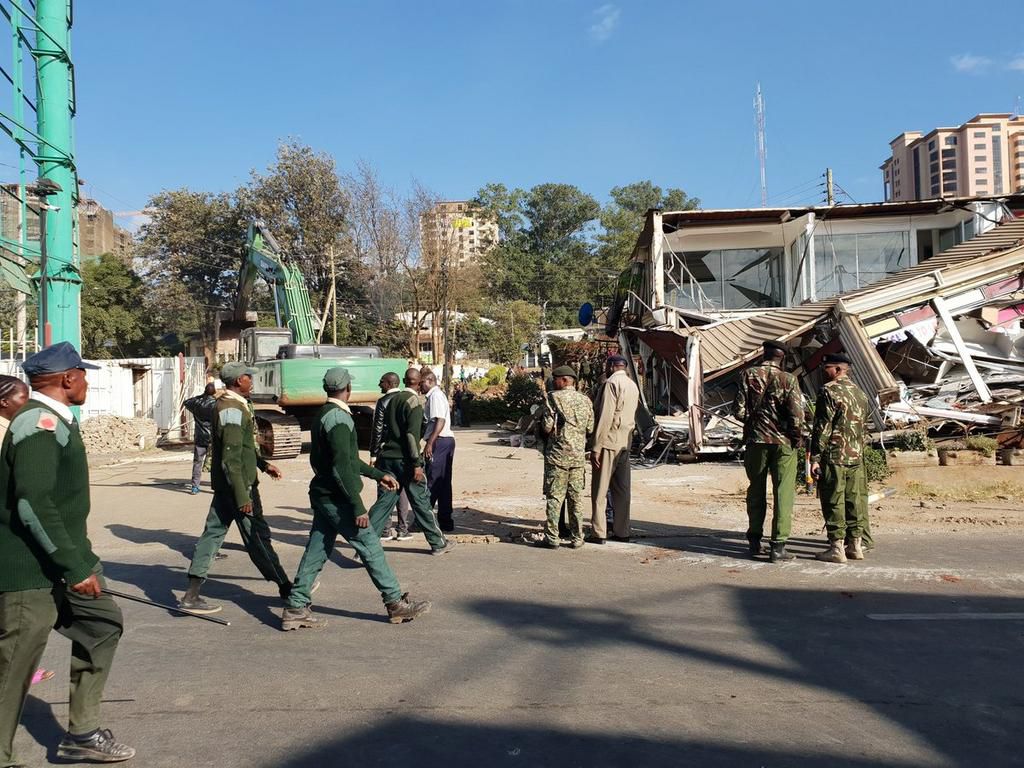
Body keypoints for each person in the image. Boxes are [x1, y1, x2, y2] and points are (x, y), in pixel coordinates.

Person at [0, 342, 135, 765]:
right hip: (31, 568)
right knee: (15, 667)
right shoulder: (37, 425)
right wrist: (74, 566)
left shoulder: (55, 419)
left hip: (63, 559)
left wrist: (81, 560)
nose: (87, 382)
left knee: (101, 626)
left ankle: (82, 734)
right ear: (68, 378)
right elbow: (34, 504)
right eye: (84, 374)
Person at [282, 368, 431, 629]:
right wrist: (358, 506)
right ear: (348, 388)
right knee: (371, 547)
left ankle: (295, 606)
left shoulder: (323, 415)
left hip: (323, 494)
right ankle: (395, 602)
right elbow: (343, 467)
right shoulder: (340, 419)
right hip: (338, 499)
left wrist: (377, 474)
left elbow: (348, 461)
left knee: (317, 549)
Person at [179, 361, 292, 614]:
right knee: (257, 538)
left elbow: (243, 448)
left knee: (212, 536)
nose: (251, 380)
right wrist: (243, 496)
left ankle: (191, 594)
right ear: (238, 381)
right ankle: (287, 588)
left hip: (229, 485)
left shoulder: (236, 405)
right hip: (238, 486)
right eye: (248, 377)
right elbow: (231, 457)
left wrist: (263, 465)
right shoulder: (231, 409)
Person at [733, 340, 808, 563]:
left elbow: (738, 411)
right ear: (781, 357)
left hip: (756, 442)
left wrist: (755, 423)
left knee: (755, 490)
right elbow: (797, 416)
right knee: (783, 493)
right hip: (783, 443)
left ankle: (755, 541)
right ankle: (778, 547)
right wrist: (797, 438)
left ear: (763, 354)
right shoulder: (789, 379)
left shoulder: (748, 374)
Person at [373, 368, 455, 554]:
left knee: (383, 504)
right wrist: (416, 464)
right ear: (418, 384)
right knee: (421, 502)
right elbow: (411, 436)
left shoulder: (392, 400)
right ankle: (438, 542)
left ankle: (366, 543)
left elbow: (382, 429)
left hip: (388, 458)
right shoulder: (414, 403)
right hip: (405, 461)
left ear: (404, 381)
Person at [810, 353, 871, 563]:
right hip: (856, 456)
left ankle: (836, 548)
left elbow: (822, 427)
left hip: (835, 456)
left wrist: (814, 457)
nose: (823, 372)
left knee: (833, 500)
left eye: (826, 368)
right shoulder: (860, 393)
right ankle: (855, 546)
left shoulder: (828, 391)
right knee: (854, 500)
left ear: (837, 369)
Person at [535, 366, 594, 549]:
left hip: (557, 456)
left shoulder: (553, 398)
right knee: (576, 499)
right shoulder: (586, 400)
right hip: (577, 458)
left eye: (556, 379)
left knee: (555, 498)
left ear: (565, 380)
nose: (554, 382)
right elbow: (590, 428)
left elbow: (547, 426)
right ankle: (577, 537)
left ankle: (552, 538)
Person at [587, 355, 640, 544]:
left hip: (609, 441)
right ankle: (622, 531)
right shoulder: (633, 384)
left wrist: (595, 446)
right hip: (626, 441)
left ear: (611, 366)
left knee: (600, 491)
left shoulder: (611, 383)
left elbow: (605, 416)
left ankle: (598, 532)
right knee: (622, 490)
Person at [370, 372, 413, 541]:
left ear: (389, 383)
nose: (379, 385)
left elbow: (377, 428)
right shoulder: (406, 398)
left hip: (386, 453)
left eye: (381, 382)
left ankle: (385, 529)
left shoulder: (383, 402)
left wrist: (374, 453)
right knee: (401, 489)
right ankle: (403, 529)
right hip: (404, 453)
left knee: (385, 487)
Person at [421, 371, 457, 532]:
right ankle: (445, 520)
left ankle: (424, 520)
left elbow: (439, 421)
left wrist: (430, 443)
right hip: (444, 441)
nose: (419, 386)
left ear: (429, 381)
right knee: (442, 483)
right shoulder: (436, 395)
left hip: (440, 441)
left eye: (421, 382)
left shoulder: (435, 396)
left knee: (433, 481)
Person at [183, 382, 217, 494]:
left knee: (198, 462)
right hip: (213, 437)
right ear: (215, 392)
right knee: (215, 463)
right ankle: (216, 487)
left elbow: (186, 402)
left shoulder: (197, 403)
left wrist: (201, 396)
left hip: (200, 436)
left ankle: (195, 486)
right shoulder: (216, 404)